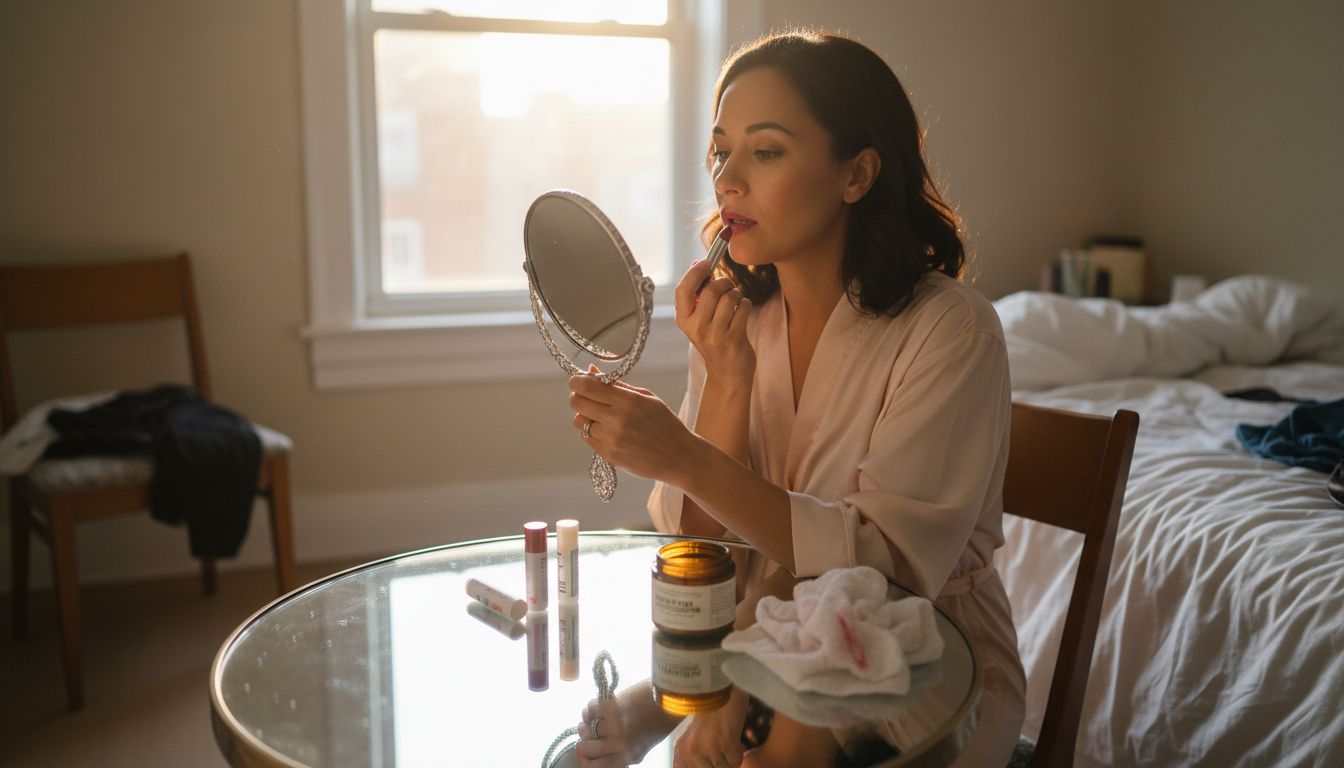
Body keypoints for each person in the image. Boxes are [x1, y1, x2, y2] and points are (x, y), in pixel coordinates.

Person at [568, 28, 1025, 768]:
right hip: (758, 631)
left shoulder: (951, 330)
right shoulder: (738, 321)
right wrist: (728, 381)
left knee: (769, 745)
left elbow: (884, 568)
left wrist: (683, 455)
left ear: (857, 174)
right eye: (721, 150)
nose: (727, 179)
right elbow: (703, 557)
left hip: (922, 648)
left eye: (766, 151)